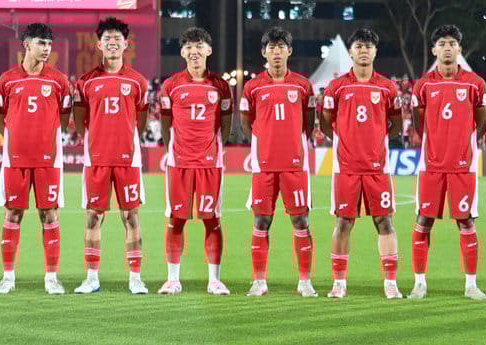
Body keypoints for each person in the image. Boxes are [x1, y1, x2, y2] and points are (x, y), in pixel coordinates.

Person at [409, 24, 486, 301]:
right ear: (434, 50)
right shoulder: (423, 85)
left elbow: (483, 118)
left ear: (459, 49)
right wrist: (435, 141)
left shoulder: (475, 83)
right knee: (423, 221)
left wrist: (464, 142)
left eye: (452, 43)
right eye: (442, 43)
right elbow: (419, 121)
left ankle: (471, 285)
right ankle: (420, 283)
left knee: (466, 222)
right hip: (431, 165)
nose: (447, 47)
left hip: (462, 165)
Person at [320, 28, 402, 299]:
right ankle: (339, 284)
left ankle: (390, 283)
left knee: (385, 222)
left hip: (377, 167)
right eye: (359, 46)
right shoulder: (337, 86)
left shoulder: (387, 87)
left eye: (368, 46)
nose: (364, 51)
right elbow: (326, 123)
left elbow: (396, 124)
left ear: (375, 51)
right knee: (344, 222)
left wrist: (375, 142)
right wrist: (348, 143)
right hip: (346, 168)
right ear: (351, 52)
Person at [0, 23, 73, 295]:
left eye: (49, 44)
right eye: (41, 43)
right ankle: (7, 277)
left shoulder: (59, 81)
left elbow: (62, 119)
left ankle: (51, 278)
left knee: (49, 214)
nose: (47, 49)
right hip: (15, 158)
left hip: (48, 159)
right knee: (13, 213)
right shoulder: (7, 80)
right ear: (26, 44)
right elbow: (0, 117)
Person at [73, 18, 150, 294]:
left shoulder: (138, 82)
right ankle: (92, 278)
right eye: (108, 38)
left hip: (128, 159)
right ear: (99, 44)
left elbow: (140, 122)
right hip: (96, 159)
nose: (113, 42)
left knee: (131, 216)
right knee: (93, 216)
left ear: (126, 44)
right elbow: (82, 121)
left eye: (118, 38)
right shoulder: (86, 82)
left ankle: (135, 278)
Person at [240, 27, 317, 297]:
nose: (276, 52)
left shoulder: (303, 84)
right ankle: (259, 281)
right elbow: (247, 123)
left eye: (281, 47)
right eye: (271, 47)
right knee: (261, 221)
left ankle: (305, 281)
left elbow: (308, 123)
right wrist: (264, 145)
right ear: (264, 52)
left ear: (289, 51)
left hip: (295, 165)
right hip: (264, 166)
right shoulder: (252, 86)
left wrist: (292, 143)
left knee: (300, 221)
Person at [156, 27, 232, 295]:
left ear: (209, 50)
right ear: (182, 52)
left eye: (199, 45)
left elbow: (225, 125)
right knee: (175, 219)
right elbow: (166, 124)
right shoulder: (171, 85)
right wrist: (173, 151)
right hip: (179, 163)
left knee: (212, 220)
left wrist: (214, 150)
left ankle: (214, 280)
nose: (194, 51)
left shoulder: (221, 86)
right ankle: (173, 279)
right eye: (188, 46)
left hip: (210, 163)